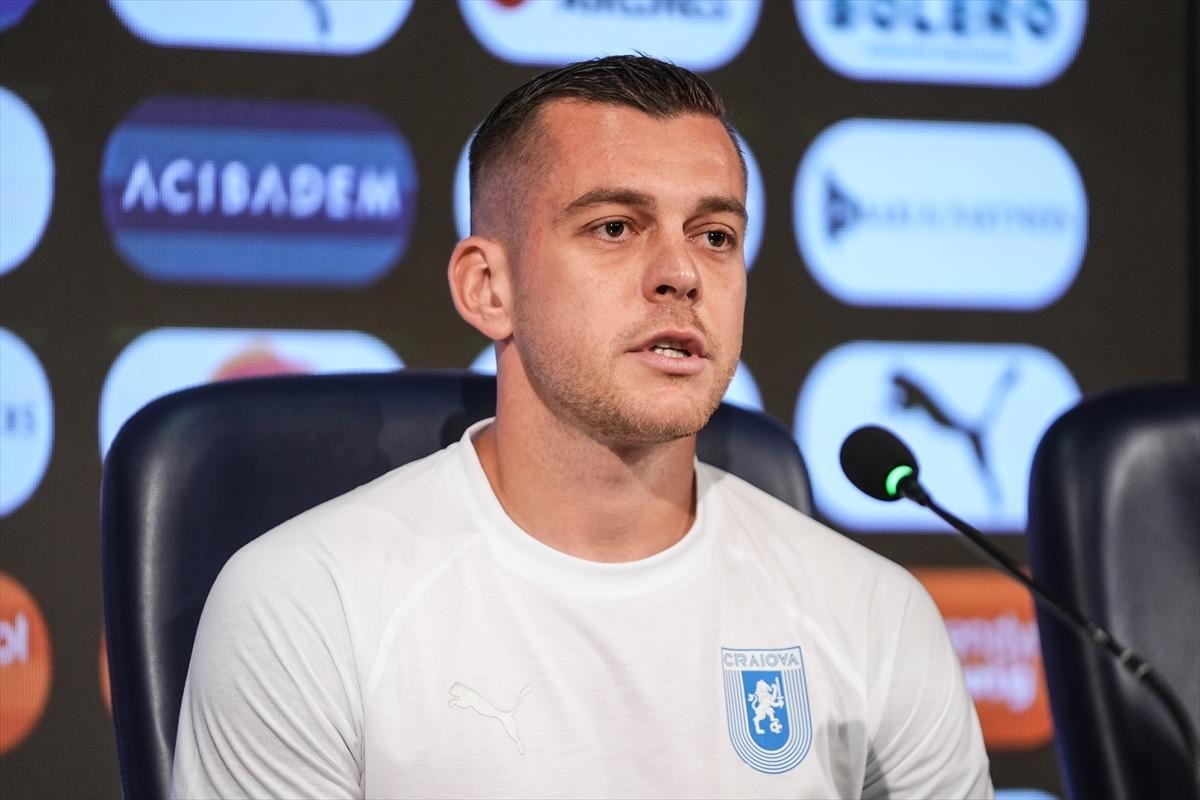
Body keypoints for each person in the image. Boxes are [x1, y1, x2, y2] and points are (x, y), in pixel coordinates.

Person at [171, 56, 993, 799]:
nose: (680, 274)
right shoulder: (307, 606)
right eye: (614, 227)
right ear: (489, 288)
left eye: (715, 236)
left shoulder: (875, 617)